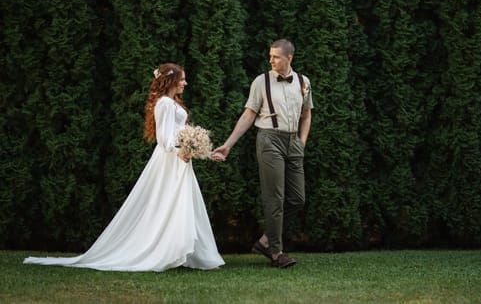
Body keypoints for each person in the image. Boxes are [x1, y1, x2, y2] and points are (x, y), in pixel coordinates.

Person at [24, 63, 225, 271]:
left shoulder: (173, 102)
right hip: (170, 161)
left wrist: (206, 152)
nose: (185, 83)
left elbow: (181, 134)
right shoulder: (164, 103)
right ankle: (166, 251)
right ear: (172, 81)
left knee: (181, 204)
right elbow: (164, 139)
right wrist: (181, 152)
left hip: (180, 160)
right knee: (167, 203)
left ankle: (182, 252)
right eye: (182, 79)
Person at [213, 39, 313, 268]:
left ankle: (266, 240)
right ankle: (277, 253)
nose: (271, 60)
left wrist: (301, 142)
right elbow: (249, 115)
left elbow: (307, 114)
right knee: (274, 197)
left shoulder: (303, 81)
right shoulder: (261, 81)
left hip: (293, 142)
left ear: (289, 58)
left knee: (297, 198)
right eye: (270, 56)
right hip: (269, 139)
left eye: (276, 56)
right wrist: (228, 145)